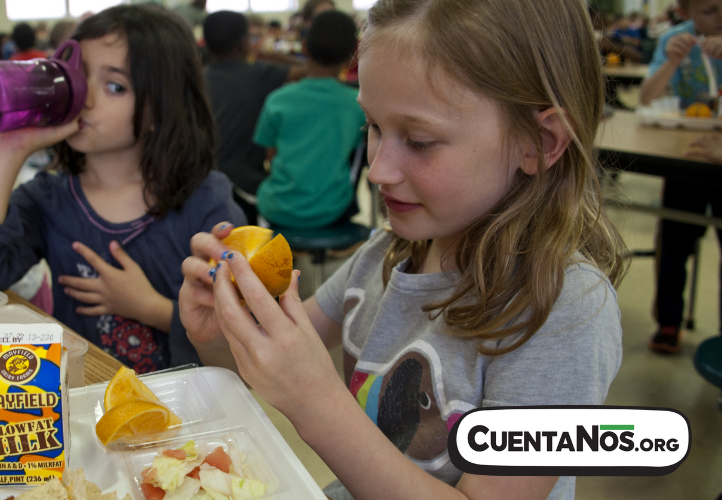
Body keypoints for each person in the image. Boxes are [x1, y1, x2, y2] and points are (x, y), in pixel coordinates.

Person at [180, 0, 626, 498]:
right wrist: (221, 333)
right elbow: (274, 365)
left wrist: (318, 405)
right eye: (372, 126)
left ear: (539, 143)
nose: (377, 170)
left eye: (418, 140)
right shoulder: (384, 254)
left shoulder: (568, 313)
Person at [0, 5, 245, 373]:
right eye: (79, 76)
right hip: (86, 408)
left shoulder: (206, 202)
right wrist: (10, 148)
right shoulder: (48, 199)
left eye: (115, 86)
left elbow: (239, 335)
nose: (84, 98)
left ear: (163, 107)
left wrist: (149, 307)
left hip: (184, 413)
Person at [638, 0, 722, 353]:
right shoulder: (676, 39)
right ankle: (669, 320)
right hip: (686, 154)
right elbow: (646, 98)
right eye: (710, 10)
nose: (720, 18)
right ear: (686, 12)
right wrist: (671, 61)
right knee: (673, 242)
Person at [252, 10, 365, 229]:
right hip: (332, 209)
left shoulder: (278, 99)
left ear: (304, 47)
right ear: (354, 55)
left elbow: (271, 157)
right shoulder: (357, 105)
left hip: (278, 208)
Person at [202, 11, 305, 224]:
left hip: (204, 179)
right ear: (243, 42)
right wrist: (269, 53)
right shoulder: (258, 73)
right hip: (246, 181)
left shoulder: (199, 77)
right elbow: (313, 70)